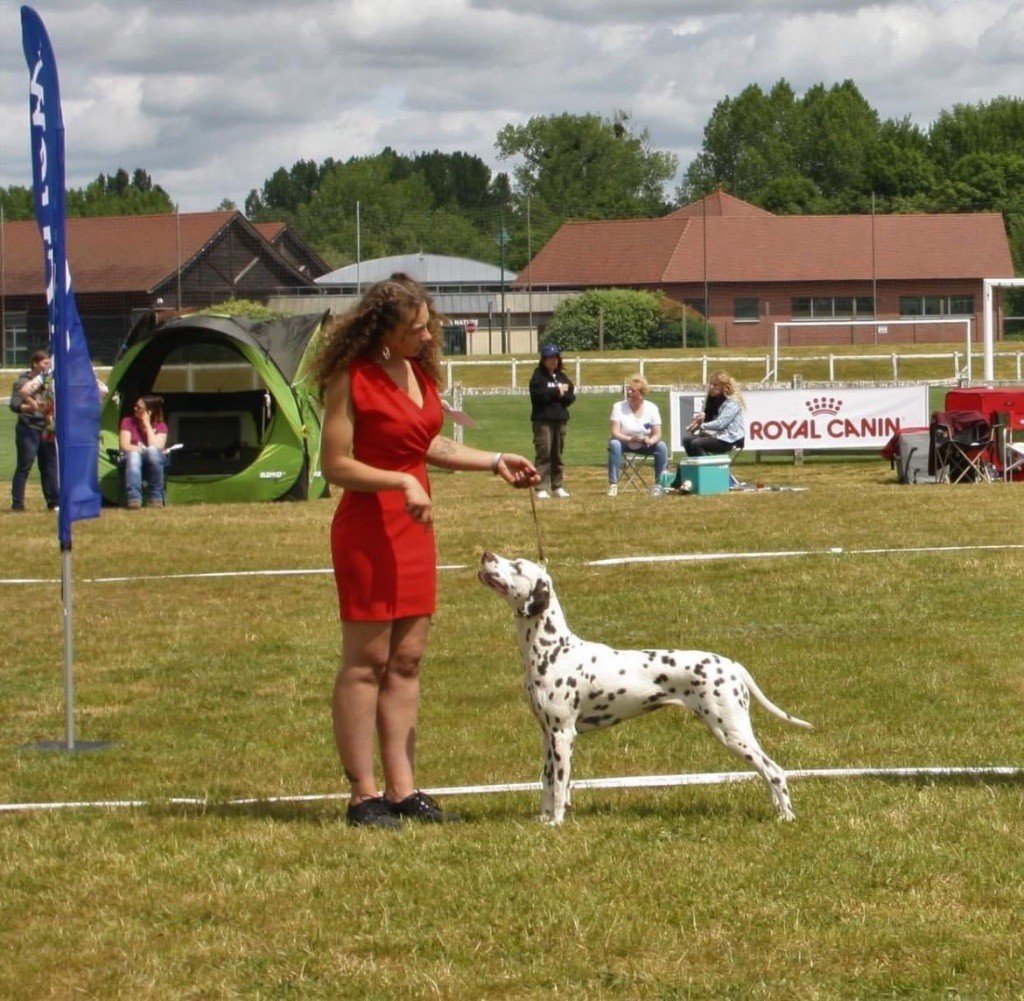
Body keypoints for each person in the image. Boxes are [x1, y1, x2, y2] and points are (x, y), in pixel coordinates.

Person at [314, 273, 538, 829]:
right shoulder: (351, 376)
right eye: (416, 329)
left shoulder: (417, 372)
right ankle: (363, 795)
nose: (428, 336)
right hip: (369, 528)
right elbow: (335, 465)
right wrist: (399, 483)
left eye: (429, 326)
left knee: (407, 662)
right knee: (366, 663)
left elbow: (427, 442)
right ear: (384, 331)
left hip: (415, 529)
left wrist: (494, 460)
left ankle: (403, 789)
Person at [9, 349, 58, 512]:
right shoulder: (24, 381)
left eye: (48, 364)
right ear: (35, 364)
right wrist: (31, 407)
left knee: (49, 466)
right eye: (44, 363)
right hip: (28, 428)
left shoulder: (49, 381)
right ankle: (17, 504)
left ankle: (53, 502)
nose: (47, 366)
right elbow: (14, 405)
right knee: (25, 465)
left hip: (46, 428)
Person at [607, 374, 669, 497]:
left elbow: (657, 434)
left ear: (641, 393)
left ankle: (659, 485)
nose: (629, 392)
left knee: (661, 446)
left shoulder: (652, 408)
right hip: (624, 442)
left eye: (632, 390)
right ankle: (613, 484)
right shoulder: (618, 407)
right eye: (628, 389)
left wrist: (650, 441)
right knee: (614, 444)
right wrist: (630, 438)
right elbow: (614, 432)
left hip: (644, 444)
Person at [528, 343, 575, 499]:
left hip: (560, 419)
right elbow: (539, 396)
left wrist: (562, 393)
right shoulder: (538, 377)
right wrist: (557, 391)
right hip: (543, 420)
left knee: (557, 454)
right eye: (549, 358)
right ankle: (541, 487)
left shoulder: (561, 376)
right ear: (543, 359)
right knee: (544, 453)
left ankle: (557, 486)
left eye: (555, 358)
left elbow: (570, 396)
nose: (553, 361)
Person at [119, 395, 169, 509]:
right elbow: (125, 445)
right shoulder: (127, 422)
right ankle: (134, 499)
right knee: (134, 456)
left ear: (149, 411)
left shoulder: (161, 426)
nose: (135, 408)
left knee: (152, 450)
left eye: (139, 407)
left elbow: (157, 447)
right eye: (135, 406)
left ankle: (155, 498)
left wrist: (147, 424)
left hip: (153, 459)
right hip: (132, 458)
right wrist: (141, 450)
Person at [682, 371, 746, 457]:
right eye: (711, 384)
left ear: (724, 387)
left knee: (697, 443)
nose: (711, 387)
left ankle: (706, 469)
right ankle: (695, 468)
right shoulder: (711, 399)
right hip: (716, 436)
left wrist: (701, 425)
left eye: (715, 385)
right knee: (687, 440)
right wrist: (698, 422)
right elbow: (707, 420)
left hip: (729, 439)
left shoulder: (732, 402)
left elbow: (720, 424)